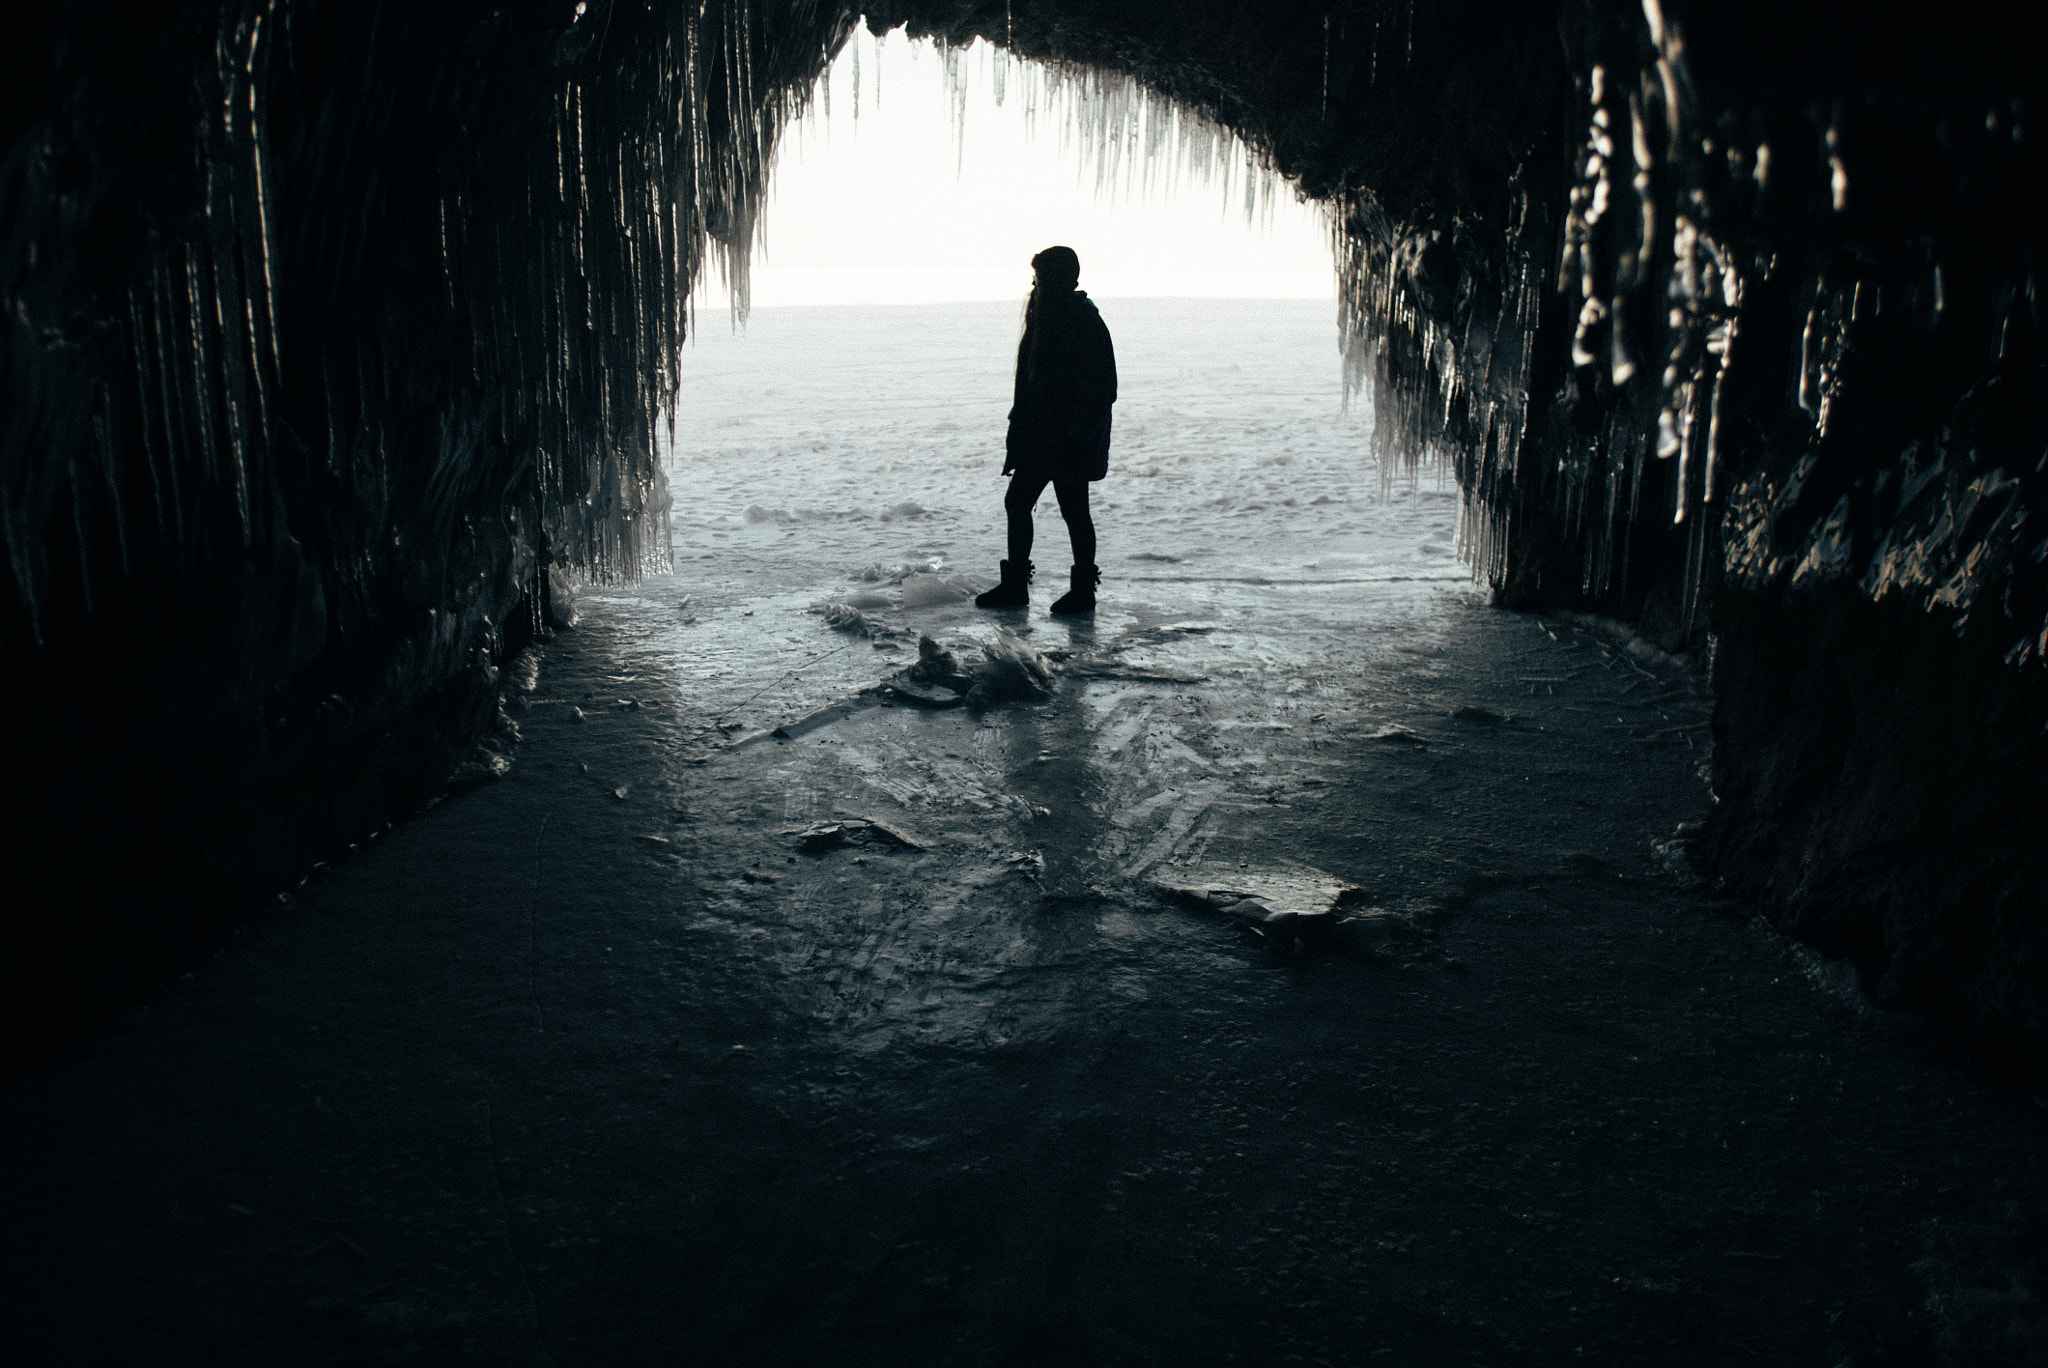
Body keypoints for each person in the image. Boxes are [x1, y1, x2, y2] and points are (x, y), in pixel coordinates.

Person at [975, 245, 1116, 614]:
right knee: (1025, 503)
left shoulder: (1083, 323)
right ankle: (1022, 587)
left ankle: (1075, 591)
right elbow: (1030, 388)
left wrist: (1079, 437)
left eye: (1041, 279)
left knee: (1071, 510)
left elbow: (1102, 390)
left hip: (1065, 440)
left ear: (1063, 281)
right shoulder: (1047, 319)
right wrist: (1017, 431)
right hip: (1043, 437)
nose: (1036, 286)